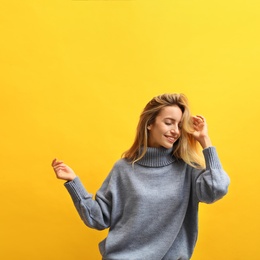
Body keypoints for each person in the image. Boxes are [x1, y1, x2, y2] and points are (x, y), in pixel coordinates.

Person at [52, 93, 230, 260]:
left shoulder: (188, 168)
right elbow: (98, 218)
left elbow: (216, 189)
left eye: (179, 125)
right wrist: (73, 182)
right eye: (169, 122)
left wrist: (205, 141)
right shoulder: (124, 169)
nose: (175, 131)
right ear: (149, 123)